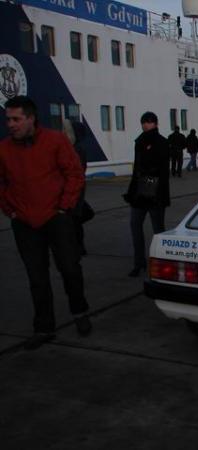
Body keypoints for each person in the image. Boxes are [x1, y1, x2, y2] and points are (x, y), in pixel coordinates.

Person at [0, 96, 91, 349]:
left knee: (70, 268)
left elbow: (74, 174)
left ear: (31, 118)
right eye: (8, 119)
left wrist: (64, 207)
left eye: (16, 119)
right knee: (36, 276)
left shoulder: (55, 141)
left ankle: (80, 312)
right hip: (24, 222)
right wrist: (10, 210)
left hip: (56, 218)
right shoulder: (4, 149)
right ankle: (43, 327)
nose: (11, 124)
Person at [124, 112, 170, 277]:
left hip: (155, 191)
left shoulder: (162, 142)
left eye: (149, 122)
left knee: (158, 229)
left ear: (155, 124)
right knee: (135, 225)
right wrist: (132, 190)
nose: (145, 125)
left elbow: (163, 170)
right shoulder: (139, 141)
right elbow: (136, 168)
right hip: (140, 191)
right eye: (144, 122)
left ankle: (163, 263)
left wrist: (155, 188)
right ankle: (139, 263)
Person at [64, 119, 92, 255]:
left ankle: (78, 248)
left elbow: (76, 172)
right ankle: (78, 247)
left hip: (75, 190)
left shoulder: (77, 150)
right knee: (75, 219)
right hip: (76, 189)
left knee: (74, 219)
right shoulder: (75, 149)